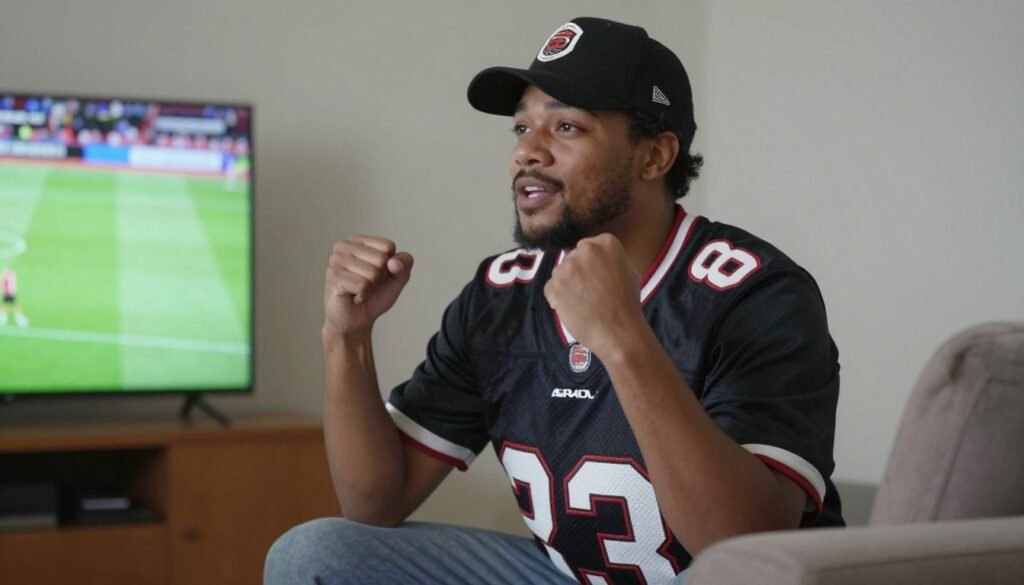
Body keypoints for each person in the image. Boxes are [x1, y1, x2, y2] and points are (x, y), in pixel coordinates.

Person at [265, 16, 843, 585]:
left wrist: (624, 339)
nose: (527, 153)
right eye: (521, 129)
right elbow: (375, 505)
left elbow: (744, 550)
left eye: (566, 127)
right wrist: (346, 337)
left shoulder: (758, 293)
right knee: (316, 554)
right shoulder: (502, 293)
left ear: (654, 156)